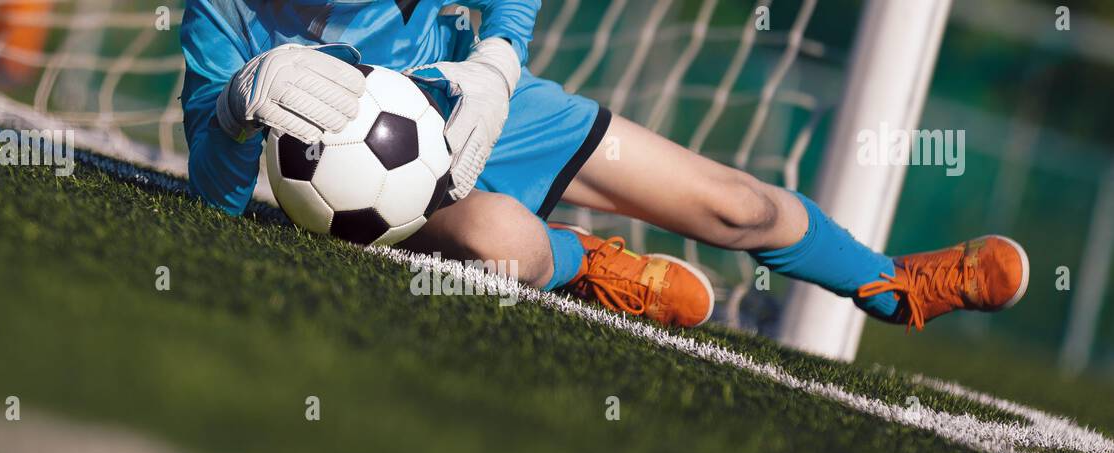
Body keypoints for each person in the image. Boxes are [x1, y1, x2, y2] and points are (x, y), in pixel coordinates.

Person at [181, 0, 1029, 330]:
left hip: (493, 115)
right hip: (408, 192)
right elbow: (212, 203)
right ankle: (591, 264)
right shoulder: (223, 12)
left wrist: (500, 61)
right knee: (504, 247)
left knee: (737, 206)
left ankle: (892, 286)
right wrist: (233, 105)